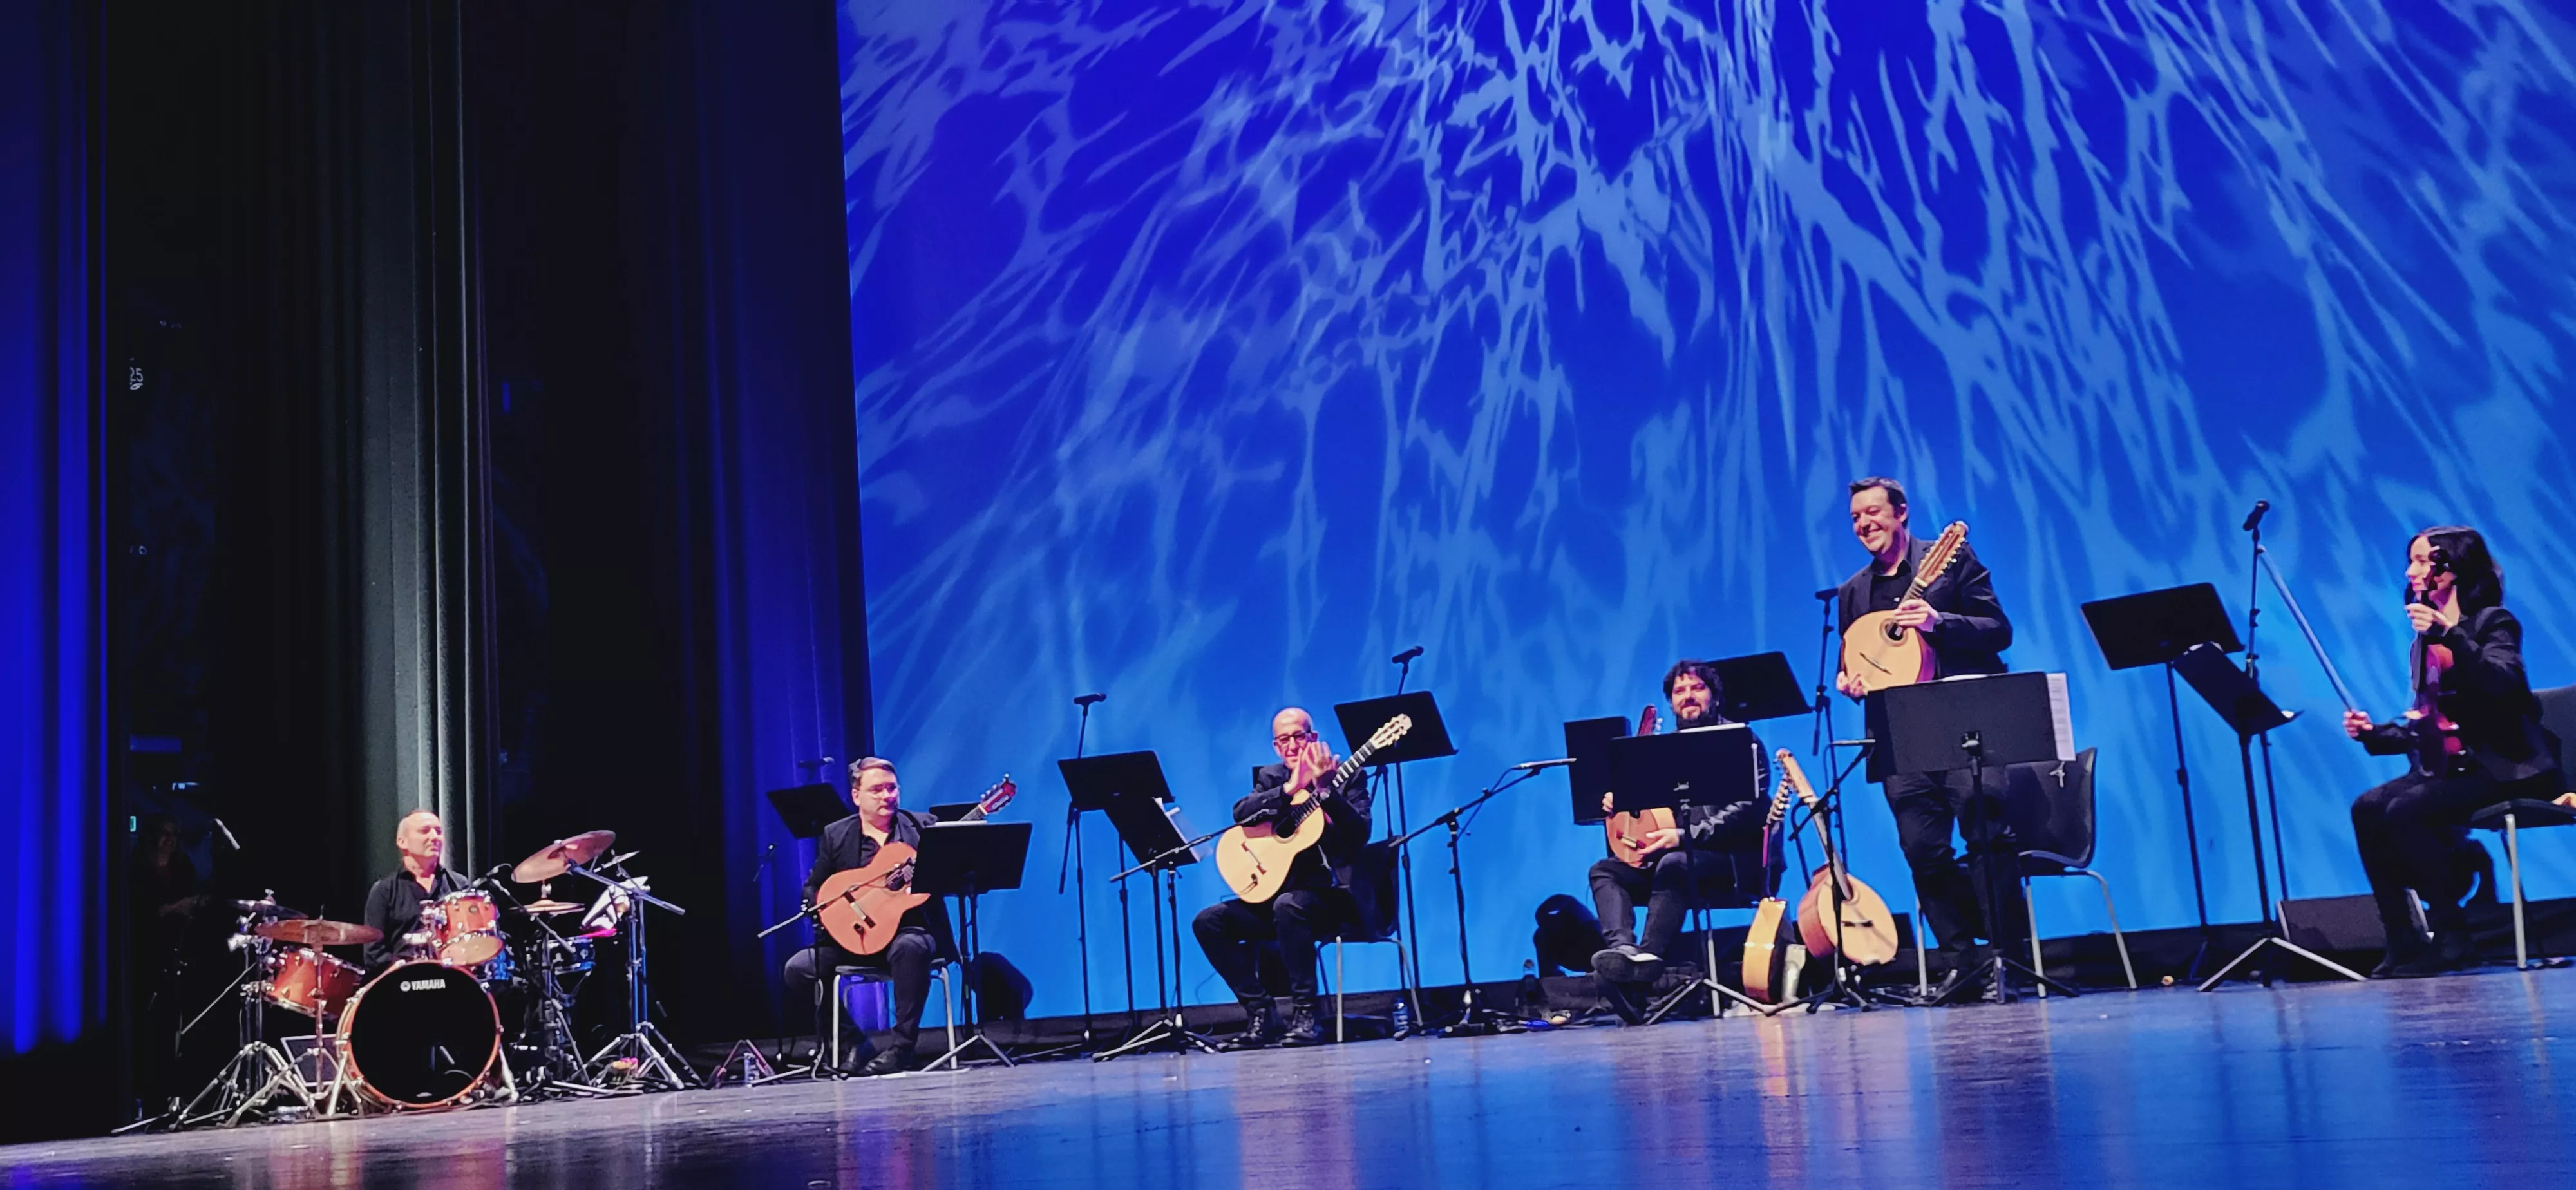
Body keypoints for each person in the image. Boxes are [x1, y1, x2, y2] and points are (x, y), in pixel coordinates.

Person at [1832, 476, 2022, 1003]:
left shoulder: (1949, 561)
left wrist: (1940, 621)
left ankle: (2010, 959)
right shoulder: (1853, 592)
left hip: (1966, 721)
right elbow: (1856, 659)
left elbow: (1999, 629)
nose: (1864, 523)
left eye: (1873, 512)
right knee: (1922, 848)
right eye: (1855, 517)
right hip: (1900, 733)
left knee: (1986, 831)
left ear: (1901, 513)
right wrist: (1849, 683)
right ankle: (1960, 961)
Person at [2343, 527, 2563, 977]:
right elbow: (2428, 721)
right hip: (2451, 765)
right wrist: (2373, 734)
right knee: (2366, 807)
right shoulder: (2421, 644)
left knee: (2407, 810)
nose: (2411, 571)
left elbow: (2507, 685)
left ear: (2454, 568)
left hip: (2502, 765)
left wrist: (2453, 636)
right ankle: (2402, 936)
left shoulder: (2494, 623)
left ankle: (2453, 936)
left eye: (2423, 561)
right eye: (2412, 560)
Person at [1587, 660, 1773, 1019]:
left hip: (1731, 862)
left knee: (1675, 863)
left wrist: (1685, 837)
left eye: (1697, 688)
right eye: (1679, 691)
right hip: (1670, 863)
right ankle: (1624, 955)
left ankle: (1642, 972)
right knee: (1604, 870)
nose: (1688, 696)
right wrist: (1618, 801)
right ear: (1671, 702)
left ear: (1714, 696)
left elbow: (1749, 810)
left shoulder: (1741, 741)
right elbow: (1643, 808)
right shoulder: (1661, 751)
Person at [1194, 707, 1373, 1050]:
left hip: (1330, 897)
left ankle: (1307, 1016)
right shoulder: (1272, 777)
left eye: (1299, 736)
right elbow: (1242, 813)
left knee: (1289, 906)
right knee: (1209, 923)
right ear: (1276, 746)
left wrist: (1326, 793)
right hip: (1276, 898)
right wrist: (1290, 788)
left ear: (1313, 738)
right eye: (1283, 739)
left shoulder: (1347, 776)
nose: (1292, 745)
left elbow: (1359, 835)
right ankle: (1262, 1013)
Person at [783, 757, 951, 1075]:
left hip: (908, 932)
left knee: (910, 947)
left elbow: (950, 877)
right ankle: (853, 1042)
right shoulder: (836, 834)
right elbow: (813, 886)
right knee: (798, 969)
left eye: (892, 788)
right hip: (855, 937)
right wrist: (830, 913)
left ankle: (902, 1049)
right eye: (877, 790)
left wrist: (932, 874)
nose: (887, 796)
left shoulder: (923, 827)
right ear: (856, 795)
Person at [361, 810, 470, 970]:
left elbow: (470, 941)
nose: (435, 837)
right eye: (425, 831)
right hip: (402, 980)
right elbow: (374, 953)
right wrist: (407, 970)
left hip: (451, 977)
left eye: (438, 831)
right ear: (402, 842)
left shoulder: (459, 885)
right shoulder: (384, 890)